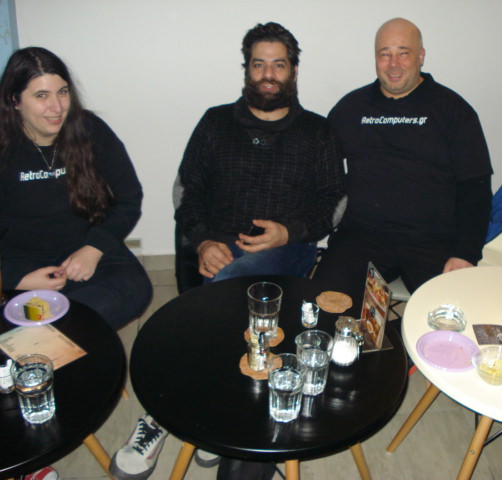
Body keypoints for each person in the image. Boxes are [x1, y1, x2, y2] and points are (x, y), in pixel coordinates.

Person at [111, 22, 346, 480]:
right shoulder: (215, 122)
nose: (268, 75)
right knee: (220, 297)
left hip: (288, 251)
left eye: (279, 65)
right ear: (246, 70)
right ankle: (201, 410)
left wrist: (288, 232)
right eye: (259, 64)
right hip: (215, 246)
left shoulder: (318, 132)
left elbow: (333, 204)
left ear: (294, 71)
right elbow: (187, 191)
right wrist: (202, 240)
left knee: (220, 297)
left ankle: (173, 413)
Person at [0, 47, 152, 480]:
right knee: (54, 328)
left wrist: (94, 248)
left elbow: (129, 199)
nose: (56, 107)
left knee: (136, 290)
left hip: (88, 249)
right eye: (41, 95)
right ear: (15, 101)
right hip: (22, 263)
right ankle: (25, 447)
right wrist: (17, 277)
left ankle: (50, 354)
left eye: (63, 92)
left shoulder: (90, 130)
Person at [313, 18, 493, 305]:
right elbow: (319, 172)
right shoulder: (351, 108)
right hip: (361, 237)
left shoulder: (453, 110)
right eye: (384, 54)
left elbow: (476, 188)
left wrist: (465, 253)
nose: (393, 64)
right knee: (322, 308)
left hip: (433, 242)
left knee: (453, 318)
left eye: (403, 53)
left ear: (421, 56)